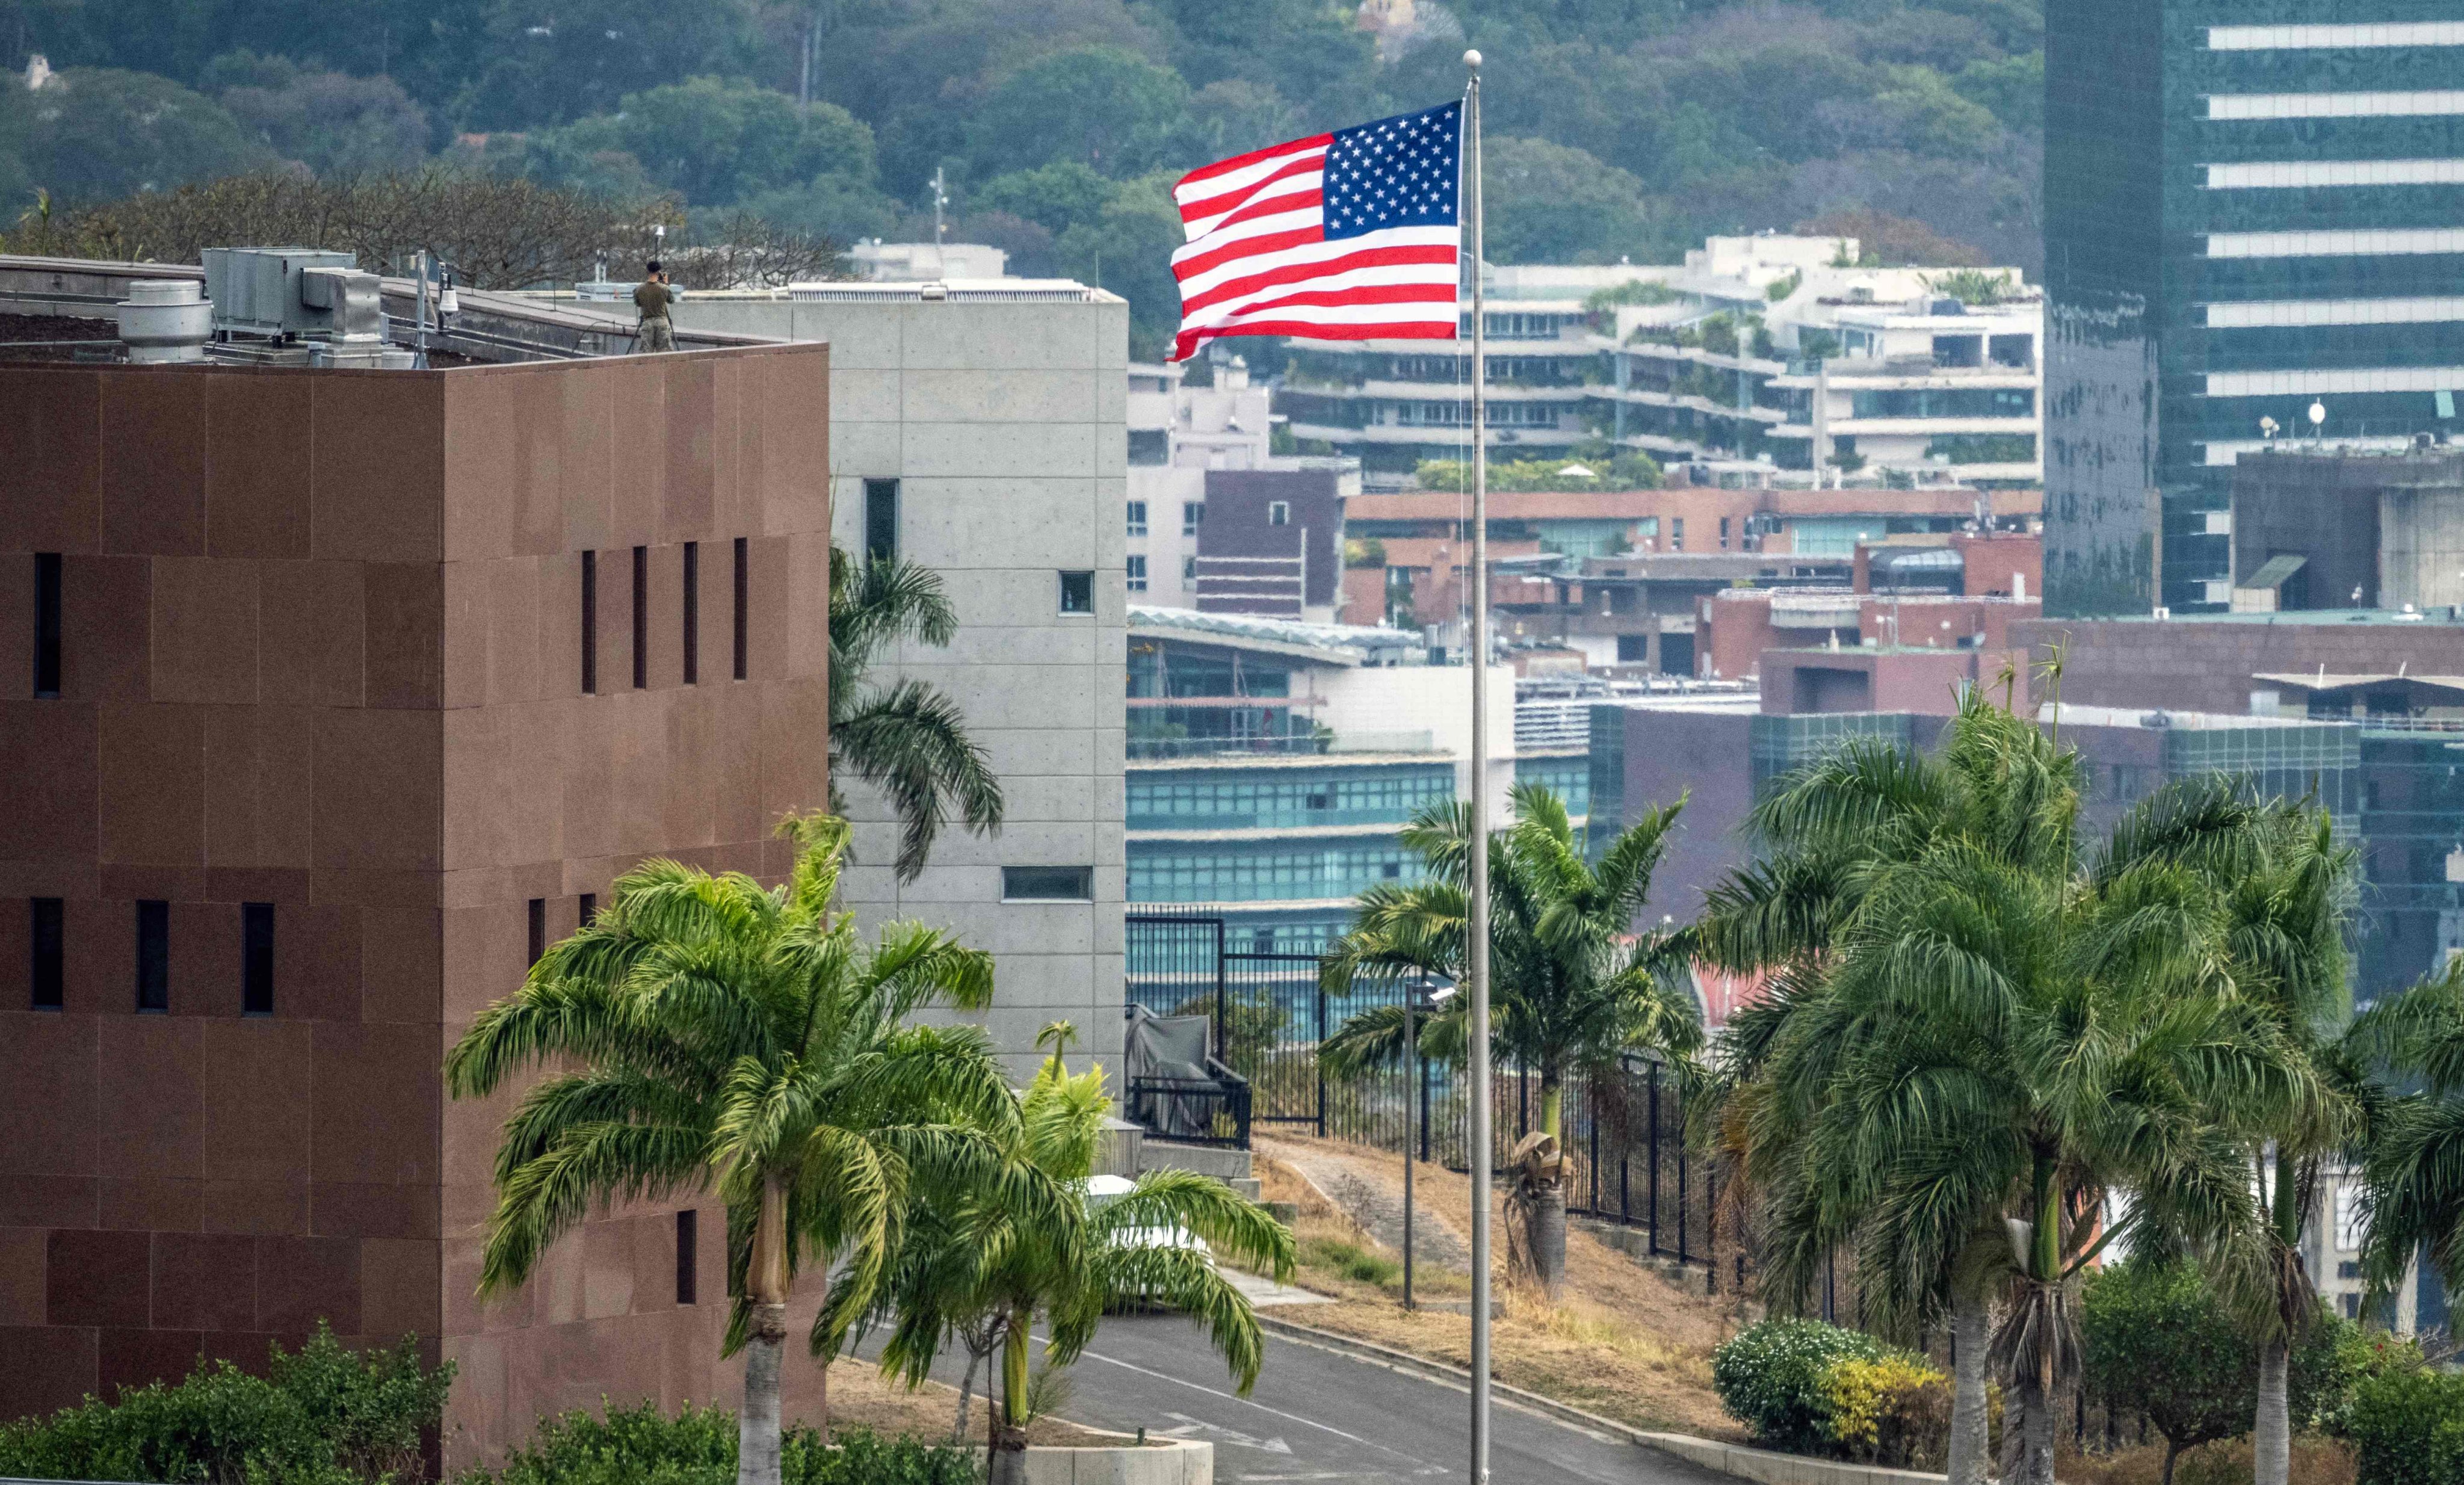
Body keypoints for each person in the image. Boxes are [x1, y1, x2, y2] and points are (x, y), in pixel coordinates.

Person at [633, 262, 675, 353]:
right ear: (659, 272)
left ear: (648, 271)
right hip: (662, 322)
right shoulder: (664, 288)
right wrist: (666, 284)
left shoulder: (639, 289)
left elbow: (638, 304)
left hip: (647, 322)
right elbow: (671, 300)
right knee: (665, 351)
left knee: (646, 352)